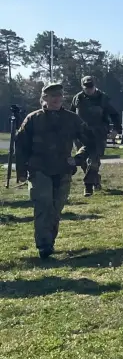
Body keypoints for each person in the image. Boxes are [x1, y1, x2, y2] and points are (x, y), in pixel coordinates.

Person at [12, 83, 93, 260]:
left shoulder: (72, 119)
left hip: (63, 170)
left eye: (59, 96)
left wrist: (78, 158)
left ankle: (50, 241)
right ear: (44, 99)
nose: (57, 99)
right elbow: (21, 146)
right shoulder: (33, 119)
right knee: (43, 206)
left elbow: (90, 141)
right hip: (39, 169)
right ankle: (44, 246)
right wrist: (21, 171)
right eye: (52, 96)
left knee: (55, 210)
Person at [70, 75, 119, 196]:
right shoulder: (77, 98)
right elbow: (70, 115)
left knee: (94, 161)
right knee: (83, 162)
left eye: (91, 86)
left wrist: (116, 129)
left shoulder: (103, 98)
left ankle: (88, 187)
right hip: (81, 135)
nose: (89, 89)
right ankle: (95, 180)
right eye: (86, 87)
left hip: (98, 134)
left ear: (95, 85)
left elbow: (115, 115)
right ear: (82, 86)